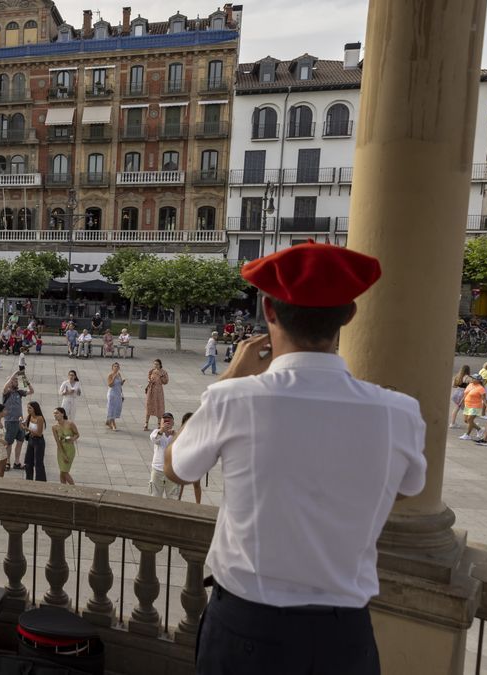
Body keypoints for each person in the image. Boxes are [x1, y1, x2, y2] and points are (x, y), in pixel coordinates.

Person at [165, 242, 425, 674]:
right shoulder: (397, 412)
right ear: (349, 315)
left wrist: (231, 376)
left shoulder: (234, 398)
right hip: (344, 636)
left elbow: (176, 468)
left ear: (268, 310)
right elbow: (405, 488)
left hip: (247, 627)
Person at [2, 370, 33, 470]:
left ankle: (17, 462)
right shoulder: (6, 393)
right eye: (14, 380)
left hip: (20, 422)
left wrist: (25, 379)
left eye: (16, 380)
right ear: (10, 382)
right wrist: (16, 372)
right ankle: (7, 462)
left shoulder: (19, 392)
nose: (16, 382)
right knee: (9, 443)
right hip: (10, 421)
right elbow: (5, 387)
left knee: (20, 442)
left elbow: (31, 391)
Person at [147, 413, 180, 498]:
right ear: (160, 423)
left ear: (173, 423)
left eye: (169, 420)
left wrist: (175, 435)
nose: (166, 422)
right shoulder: (156, 432)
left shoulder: (177, 435)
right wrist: (162, 430)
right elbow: (155, 439)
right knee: (155, 496)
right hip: (157, 470)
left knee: (173, 498)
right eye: (164, 420)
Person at [51, 407, 80, 485]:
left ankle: (73, 487)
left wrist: (72, 439)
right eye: (54, 413)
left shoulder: (70, 424)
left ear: (62, 414)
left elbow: (77, 434)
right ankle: (63, 488)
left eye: (57, 413)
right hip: (60, 450)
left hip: (70, 449)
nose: (55, 415)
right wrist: (62, 454)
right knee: (62, 471)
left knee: (64, 471)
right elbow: (57, 442)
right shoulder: (54, 427)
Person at [20, 401, 47, 481]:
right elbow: (24, 426)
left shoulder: (39, 418)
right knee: (28, 461)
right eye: (27, 408)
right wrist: (21, 423)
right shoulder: (29, 416)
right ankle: (29, 479)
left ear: (35, 409)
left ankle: (40, 481)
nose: (28, 409)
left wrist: (27, 429)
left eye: (30, 408)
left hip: (38, 442)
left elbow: (39, 433)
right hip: (31, 440)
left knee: (38, 463)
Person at [143, 359, 169, 431]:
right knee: (149, 406)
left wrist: (161, 377)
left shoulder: (163, 372)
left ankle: (159, 424)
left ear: (160, 364)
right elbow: (149, 378)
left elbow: (165, 381)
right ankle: (146, 423)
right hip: (151, 390)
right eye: (154, 364)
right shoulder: (151, 371)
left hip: (159, 391)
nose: (155, 365)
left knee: (159, 407)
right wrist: (149, 380)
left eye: (157, 364)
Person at [461, 374, 487, 440]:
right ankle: (479, 429)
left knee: (469, 420)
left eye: (474, 378)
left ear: (478, 381)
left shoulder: (481, 388)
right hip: (467, 405)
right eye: (472, 378)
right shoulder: (470, 385)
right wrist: (461, 401)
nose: (472, 379)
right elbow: (465, 394)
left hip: (475, 406)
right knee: (466, 420)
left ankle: (467, 435)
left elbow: (484, 399)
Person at [106, 362, 125, 431]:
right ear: (112, 368)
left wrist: (122, 382)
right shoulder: (110, 375)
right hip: (112, 394)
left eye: (117, 366)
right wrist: (114, 378)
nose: (116, 368)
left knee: (117, 407)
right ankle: (113, 424)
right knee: (112, 408)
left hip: (118, 393)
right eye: (115, 366)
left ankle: (108, 421)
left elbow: (120, 385)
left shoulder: (119, 374)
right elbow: (110, 385)